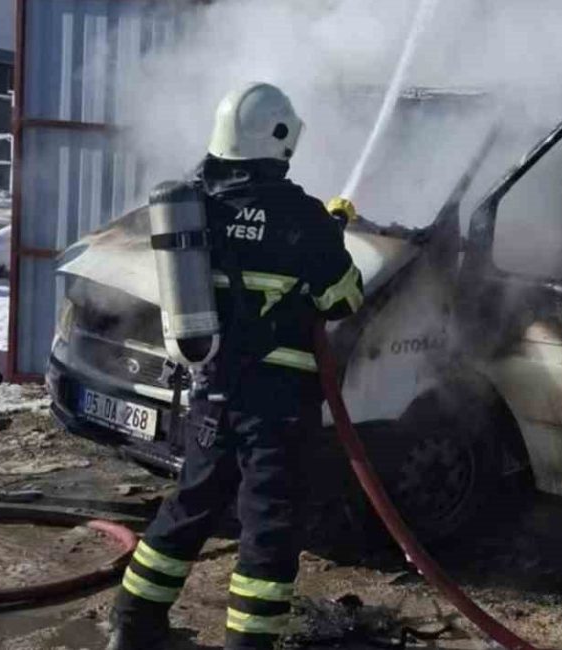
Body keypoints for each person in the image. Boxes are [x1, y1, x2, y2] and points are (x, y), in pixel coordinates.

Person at [108, 83, 364, 650]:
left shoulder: (195, 206)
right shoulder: (305, 218)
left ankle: (133, 624)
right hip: (276, 405)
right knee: (268, 526)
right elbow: (343, 301)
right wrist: (333, 234)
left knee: (191, 503)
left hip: (211, 389)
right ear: (280, 137)